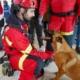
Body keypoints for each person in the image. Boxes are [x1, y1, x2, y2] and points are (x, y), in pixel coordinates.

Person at [2, 0, 53, 80]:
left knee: (37, 58)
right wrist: (49, 55)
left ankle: (33, 72)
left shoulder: (20, 23)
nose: (33, 14)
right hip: (14, 56)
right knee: (37, 62)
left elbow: (27, 45)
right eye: (31, 11)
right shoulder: (14, 31)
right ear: (21, 10)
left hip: (18, 51)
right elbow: (29, 51)